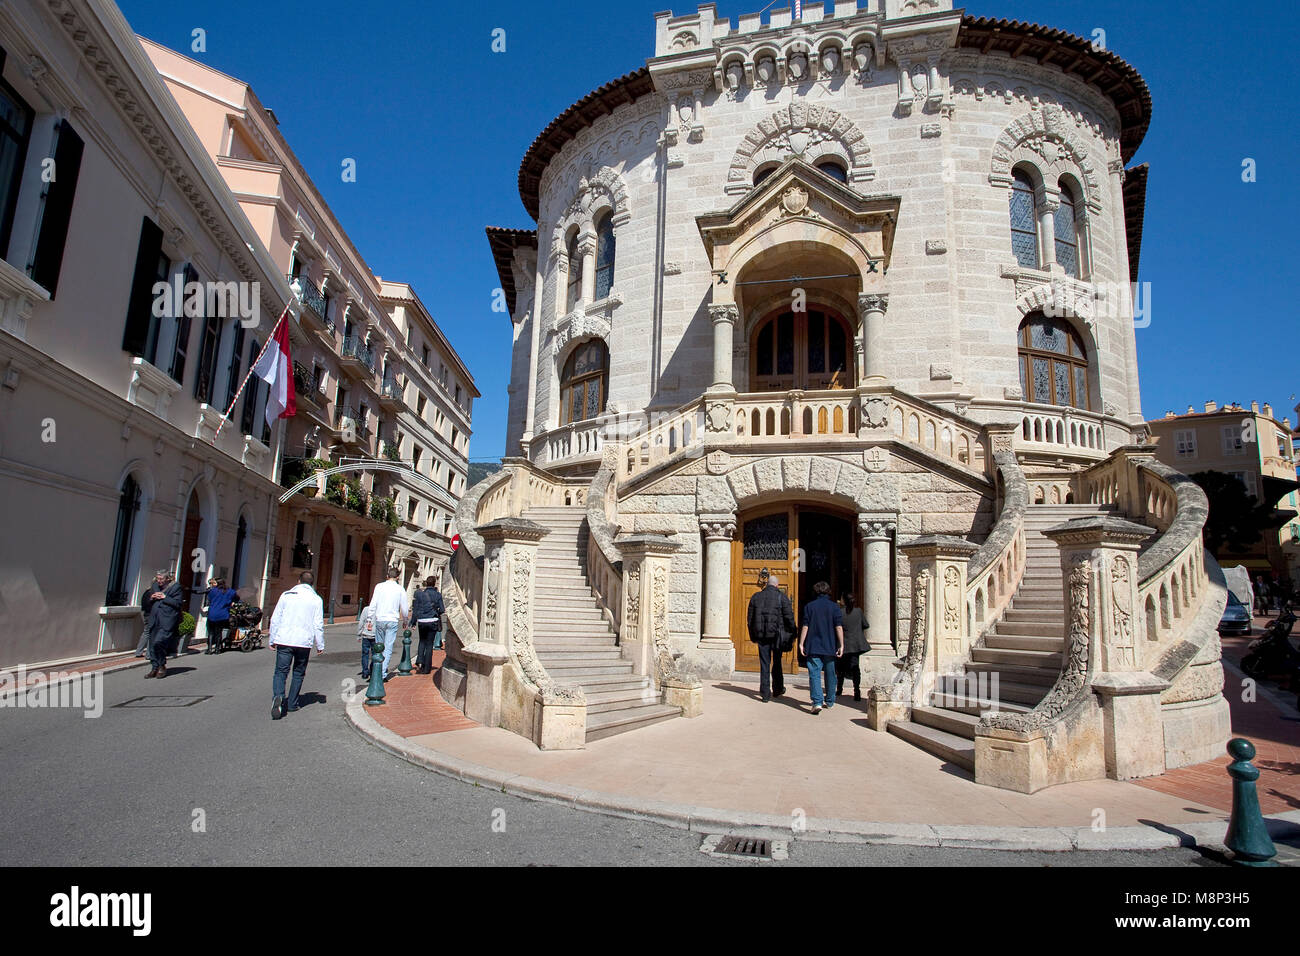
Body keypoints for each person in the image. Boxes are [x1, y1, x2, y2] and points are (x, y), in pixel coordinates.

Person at [268, 570, 325, 719]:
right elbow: (318, 624)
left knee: (281, 672)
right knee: (298, 673)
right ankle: (292, 703)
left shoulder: (286, 595)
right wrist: (320, 644)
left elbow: (276, 618)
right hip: (303, 642)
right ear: (312, 583)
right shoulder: (316, 599)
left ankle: (278, 697)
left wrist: (272, 639)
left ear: (298, 581)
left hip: (284, 639)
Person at [746, 570, 795, 702]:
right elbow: (789, 617)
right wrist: (793, 632)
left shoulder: (756, 597)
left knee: (764, 663)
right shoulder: (782, 597)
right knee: (777, 662)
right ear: (777, 586)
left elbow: (749, 618)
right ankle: (778, 688)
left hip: (762, 636)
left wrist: (753, 635)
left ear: (767, 584)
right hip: (777, 636)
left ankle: (765, 693)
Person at [798, 580, 844, 714]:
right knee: (830, 673)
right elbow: (838, 626)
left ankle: (817, 701)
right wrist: (841, 644)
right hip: (830, 645)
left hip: (813, 645)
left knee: (814, 674)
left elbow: (805, 625)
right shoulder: (835, 607)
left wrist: (801, 643)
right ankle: (830, 700)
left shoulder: (809, 606)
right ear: (828, 591)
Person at [368, 566, 410, 682]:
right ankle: (382, 672)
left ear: (387, 576)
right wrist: (405, 620)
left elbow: (373, 604)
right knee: (388, 647)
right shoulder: (400, 589)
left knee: (378, 646)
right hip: (392, 620)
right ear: (397, 577)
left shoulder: (379, 586)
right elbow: (404, 607)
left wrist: (369, 620)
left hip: (380, 618)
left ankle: (376, 669)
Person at [144, 571, 183, 680]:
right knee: (152, 645)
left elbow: (178, 604)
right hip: (154, 619)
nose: (159, 581)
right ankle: (154, 667)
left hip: (167, 620)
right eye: (158, 579)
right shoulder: (155, 586)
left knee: (159, 642)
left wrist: (164, 597)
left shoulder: (176, 587)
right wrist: (152, 597)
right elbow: (148, 602)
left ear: (167, 579)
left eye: (161, 579)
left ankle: (161, 665)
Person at [837, 592, 869, 701]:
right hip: (856, 644)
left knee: (840, 668)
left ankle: (839, 689)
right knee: (855, 668)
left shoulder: (840, 612)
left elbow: (836, 627)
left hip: (843, 644)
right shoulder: (858, 612)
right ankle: (857, 691)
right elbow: (866, 625)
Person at [411, 576, 446, 675]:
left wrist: (413, 622)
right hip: (432, 620)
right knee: (430, 644)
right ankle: (427, 668)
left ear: (426, 583)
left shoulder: (420, 594)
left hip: (422, 620)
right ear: (434, 583)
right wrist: (436, 611)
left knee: (422, 641)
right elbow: (442, 609)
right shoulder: (437, 595)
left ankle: (419, 660)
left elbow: (416, 609)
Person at [137, 569, 167, 657]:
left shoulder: (148, 592)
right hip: (150, 615)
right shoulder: (151, 593)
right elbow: (146, 604)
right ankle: (148, 654)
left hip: (147, 614)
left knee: (146, 632)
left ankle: (139, 651)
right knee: (151, 633)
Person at [205, 578, 238, 654]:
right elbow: (236, 598)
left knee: (211, 632)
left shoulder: (213, 591)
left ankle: (209, 649)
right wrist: (232, 602)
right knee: (219, 632)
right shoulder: (230, 591)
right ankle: (217, 649)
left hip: (212, 613)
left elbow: (209, 599)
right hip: (222, 614)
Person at [356, 603, 377, 680]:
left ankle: (365, 672)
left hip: (365, 634)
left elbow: (361, 622)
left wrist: (359, 634)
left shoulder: (366, 609)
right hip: (375, 635)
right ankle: (372, 670)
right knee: (375, 654)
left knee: (365, 654)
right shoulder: (379, 610)